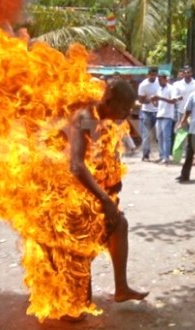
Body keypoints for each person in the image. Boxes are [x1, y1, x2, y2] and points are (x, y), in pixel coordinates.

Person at [68, 78, 148, 319]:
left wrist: (111, 184)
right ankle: (70, 302)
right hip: (71, 193)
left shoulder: (109, 120)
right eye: (124, 109)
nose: (125, 115)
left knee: (118, 226)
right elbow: (76, 166)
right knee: (81, 245)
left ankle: (121, 288)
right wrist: (103, 199)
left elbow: (105, 155)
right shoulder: (84, 117)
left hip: (97, 192)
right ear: (109, 100)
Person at [153, 73, 179, 164]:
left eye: (160, 80)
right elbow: (157, 103)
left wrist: (160, 98)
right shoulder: (159, 89)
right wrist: (154, 101)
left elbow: (173, 101)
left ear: (165, 79)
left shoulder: (171, 88)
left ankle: (166, 156)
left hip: (167, 115)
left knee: (166, 137)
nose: (159, 82)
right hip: (159, 114)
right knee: (159, 137)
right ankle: (161, 155)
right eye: (158, 80)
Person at [137, 67, 159, 161]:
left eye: (155, 75)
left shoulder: (159, 82)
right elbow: (141, 100)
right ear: (148, 74)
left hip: (159, 111)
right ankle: (145, 155)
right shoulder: (143, 85)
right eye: (151, 75)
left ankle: (163, 155)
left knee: (160, 135)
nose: (153, 77)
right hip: (147, 112)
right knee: (146, 135)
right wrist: (150, 100)